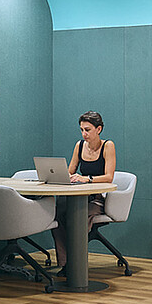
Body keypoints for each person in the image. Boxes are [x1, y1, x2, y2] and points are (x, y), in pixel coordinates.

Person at [52, 111, 115, 272]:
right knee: (57, 214)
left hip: (96, 199)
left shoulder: (108, 146)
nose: (84, 134)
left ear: (98, 129)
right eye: (82, 130)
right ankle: (66, 263)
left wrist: (88, 178)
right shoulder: (79, 145)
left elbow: (109, 177)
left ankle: (76, 264)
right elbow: (71, 171)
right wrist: (60, 175)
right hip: (79, 196)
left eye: (87, 130)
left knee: (78, 216)